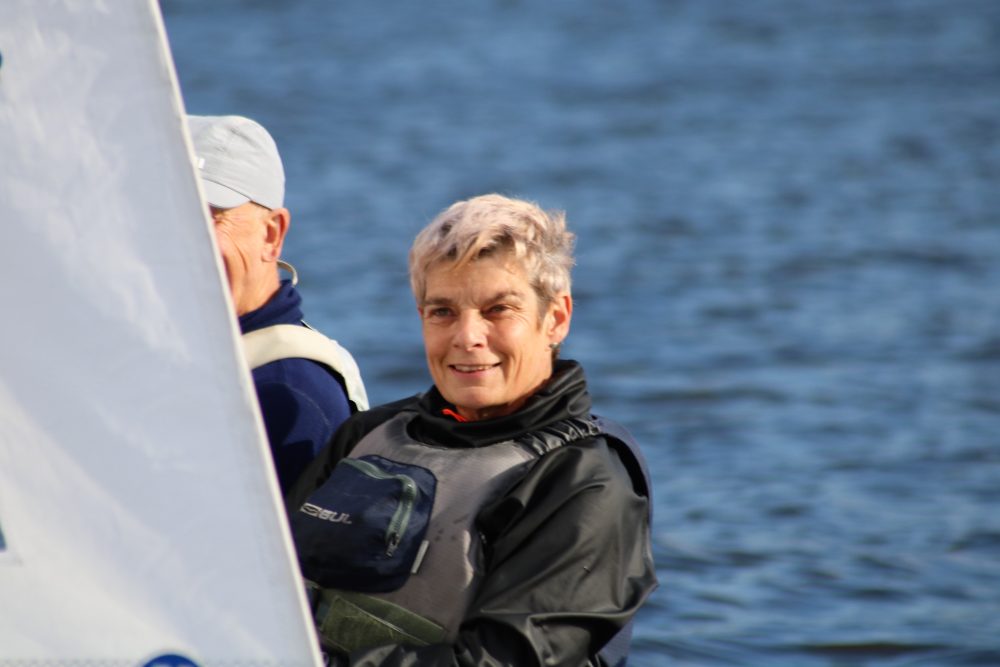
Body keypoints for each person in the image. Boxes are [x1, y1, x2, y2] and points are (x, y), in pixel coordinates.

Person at [287, 194, 656, 666]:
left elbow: (510, 657)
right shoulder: (366, 435)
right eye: (442, 312)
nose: (467, 337)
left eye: (498, 309)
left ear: (556, 319)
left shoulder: (584, 481)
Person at [188, 114, 368, 493]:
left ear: (272, 234)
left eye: (209, 218)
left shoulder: (291, 396)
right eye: (170, 216)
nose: (186, 241)